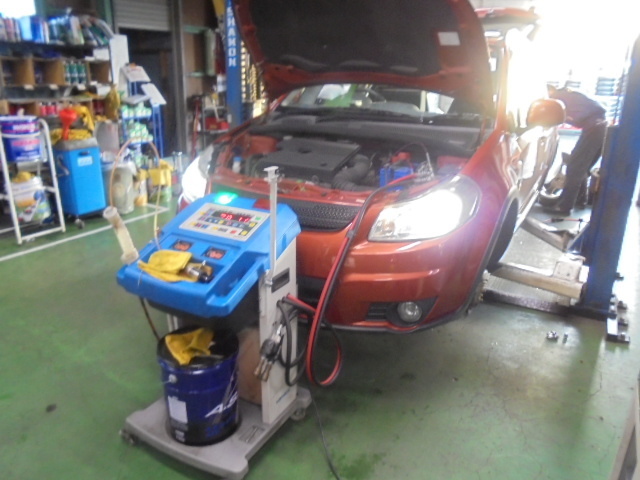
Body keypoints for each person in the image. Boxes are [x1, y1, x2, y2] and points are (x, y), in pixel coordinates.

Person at [544, 84, 608, 215]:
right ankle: (579, 200)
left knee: (575, 167)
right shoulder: (567, 94)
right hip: (600, 126)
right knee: (580, 166)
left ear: (550, 91)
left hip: (594, 127)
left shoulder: (558, 98)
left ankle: (564, 207)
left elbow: (551, 120)